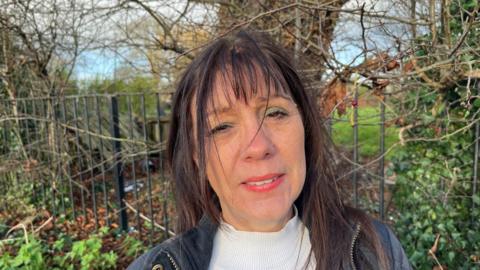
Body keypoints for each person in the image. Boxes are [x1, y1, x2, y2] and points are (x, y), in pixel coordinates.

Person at [127, 30, 411, 270]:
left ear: (305, 128)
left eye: (275, 113)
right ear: (196, 156)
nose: (259, 146)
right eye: (222, 127)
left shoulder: (375, 251)